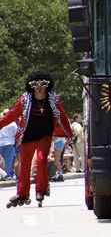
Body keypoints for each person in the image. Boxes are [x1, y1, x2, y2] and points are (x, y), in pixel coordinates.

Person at [0, 70, 73, 207]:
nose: (39, 87)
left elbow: (62, 115)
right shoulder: (25, 99)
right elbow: (11, 115)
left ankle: (41, 190)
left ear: (47, 85)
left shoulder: (53, 99)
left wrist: (69, 133)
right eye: (36, 84)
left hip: (44, 135)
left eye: (43, 83)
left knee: (40, 160)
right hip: (27, 136)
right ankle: (22, 193)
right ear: (31, 85)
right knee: (25, 165)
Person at [0, 111, 17, 180]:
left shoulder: (1, 121)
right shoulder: (12, 123)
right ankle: (7, 174)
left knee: (1, 160)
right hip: (9, 142)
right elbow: (16, 133)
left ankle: (2, 174)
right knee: (8, 160)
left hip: (1, 142)